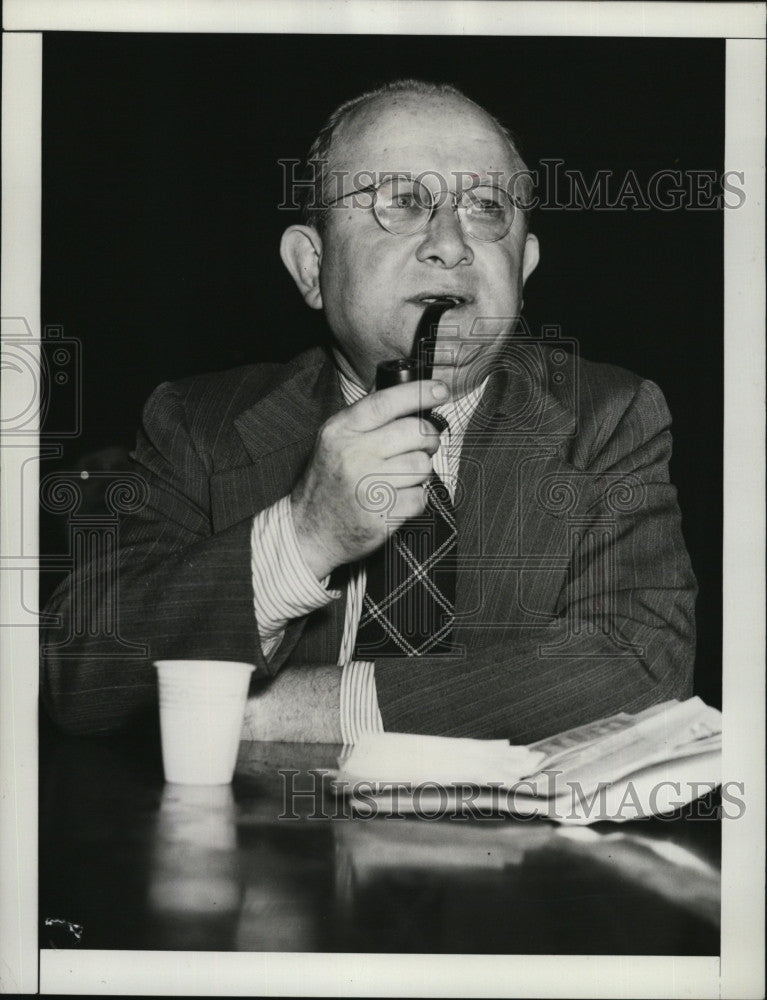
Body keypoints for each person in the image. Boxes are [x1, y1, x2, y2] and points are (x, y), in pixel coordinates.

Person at [41, 80, 697, 744]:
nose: (449, 243)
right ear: (310, 265)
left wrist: (274, 712)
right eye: (403, 201)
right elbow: (81, 680)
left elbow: (641, 670)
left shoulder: (609, 418)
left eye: (485, 206)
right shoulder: (196, 421)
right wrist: (303, 536)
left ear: (522, 267)